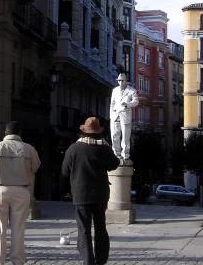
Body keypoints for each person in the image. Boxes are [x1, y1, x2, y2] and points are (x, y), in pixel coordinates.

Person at [0, 121, 41, 265]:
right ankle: (17, 261)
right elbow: (36, 167)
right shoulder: (29, 149)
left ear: (5, 133)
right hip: (21, 190)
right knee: (18, 229)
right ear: (20, 133)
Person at [61, 116, 120, 265]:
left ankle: (88, 260)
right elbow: (114, 164)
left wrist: (67, 189)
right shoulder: (104, 147)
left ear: (84, 132)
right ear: (98, 132)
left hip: (80, 194)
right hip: (100, 195)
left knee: (84, 229)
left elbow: (64, 171)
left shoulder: (74, 148)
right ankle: (101, 259)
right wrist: (106, 146)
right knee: (101, 227)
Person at [110, 73, 139, 164]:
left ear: (126, 81)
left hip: (125, 116)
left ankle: (125, 155)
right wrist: (111, 115)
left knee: (125, 137)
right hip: (115, 115)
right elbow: (112, 103)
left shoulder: (132, 91)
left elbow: (136, 102)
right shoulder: (114, 90)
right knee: (114, 135)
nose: (120, 82)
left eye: (122, 80)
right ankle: (116, 154)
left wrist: (127, 104)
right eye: (119, 81)